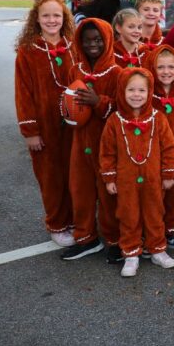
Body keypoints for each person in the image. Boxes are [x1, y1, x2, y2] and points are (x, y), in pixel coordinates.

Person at [100, 68, 174, 277]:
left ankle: (157, 249)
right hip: (126, 181)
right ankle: (131, 253)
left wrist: (168, 174)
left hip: (153, 180)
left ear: (149, 92)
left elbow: (169, 147)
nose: (136, 95)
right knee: (128, 215)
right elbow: (107, 152)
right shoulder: (114, 121)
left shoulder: (158, 118)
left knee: (155, 213)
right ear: (122, 91)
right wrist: (109, 178)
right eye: (131, 90)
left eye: (142, 90)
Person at [14, 0, 77, 247]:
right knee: (51, 177)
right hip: (45, 125)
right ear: (36, 20)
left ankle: (76, 219)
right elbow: (23, 93)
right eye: (46, 16)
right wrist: (30, 131)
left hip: (73, 125)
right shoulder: (28, 51)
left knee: (74, 174)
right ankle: (58, 223)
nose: (52, 20)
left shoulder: (74, 46)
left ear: (64, 19)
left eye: (57, 15)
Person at [61, 18, 122, 262]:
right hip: (80, 142)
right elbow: (69, 100)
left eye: (98, 40)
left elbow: (122, 108)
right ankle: (86, 237)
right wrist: (67, 110)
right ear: (79, 43)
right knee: (80, 190)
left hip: (106, 145)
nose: (92, 45)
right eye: (87, 41)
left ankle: (116, 239)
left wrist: (99, 103)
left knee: (108, 193)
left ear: (107, 41)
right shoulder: (76, 70)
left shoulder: (117, 72)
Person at [144, 45, 174, 252]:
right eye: (161, 67)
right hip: (152, 153)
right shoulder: (148, 94)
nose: (166, 72)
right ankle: (152, 233)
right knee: (153, 193)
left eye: (171, 67)